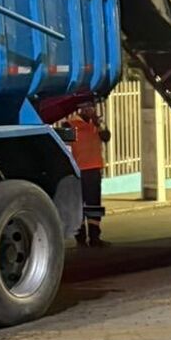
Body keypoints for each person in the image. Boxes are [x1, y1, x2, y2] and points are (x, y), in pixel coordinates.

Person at [64, 102, 111, 246]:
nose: (89, 110)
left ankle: (95, 236)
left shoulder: (96, 124)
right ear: (79, 109)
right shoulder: (69, 124)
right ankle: (80, 237)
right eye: (85, 108)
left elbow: (106, 137)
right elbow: (65, 148)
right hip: (77, 171)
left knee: (94, 204)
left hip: (94, 169)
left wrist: (98, 123)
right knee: (78, 205)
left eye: (91, 107)